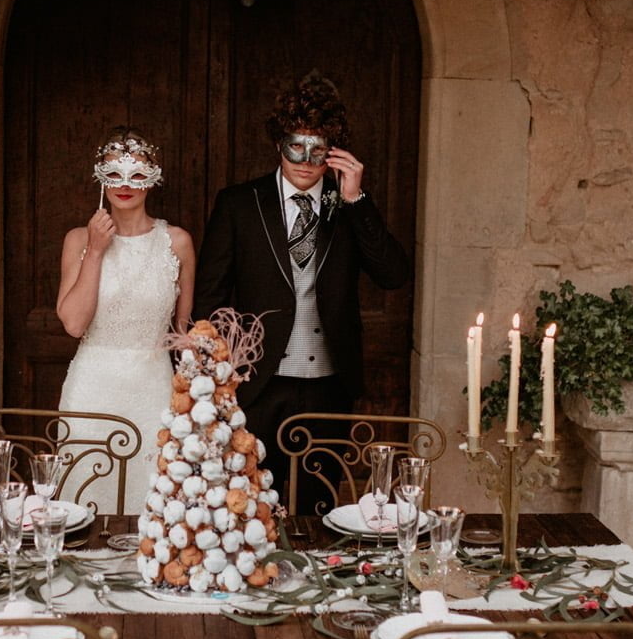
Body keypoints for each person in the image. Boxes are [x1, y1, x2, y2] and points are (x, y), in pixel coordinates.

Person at [193, 71, 411, 514]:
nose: (306, 160)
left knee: (321, 506)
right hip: (257, 382)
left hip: (330, 383)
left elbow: (393, 274)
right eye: (297, 145)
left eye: (318, 149)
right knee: (248, 504)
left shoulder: (346, 204)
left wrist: (356, 201)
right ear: (279, 143)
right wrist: (216, 378)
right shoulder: (239, 203)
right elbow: (210, 298)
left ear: (333, 151)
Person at [55, 128, 195, 515]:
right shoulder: (78, 240)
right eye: (115, 173)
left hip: (154, 388)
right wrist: (96, 252)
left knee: (153, 502)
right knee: (85, 500)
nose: (125, 184)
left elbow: (182, 332)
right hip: (92, 386)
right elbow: (73, 324)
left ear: (153, 179)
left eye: (137, 174)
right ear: (101, 176)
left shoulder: (178, 242)